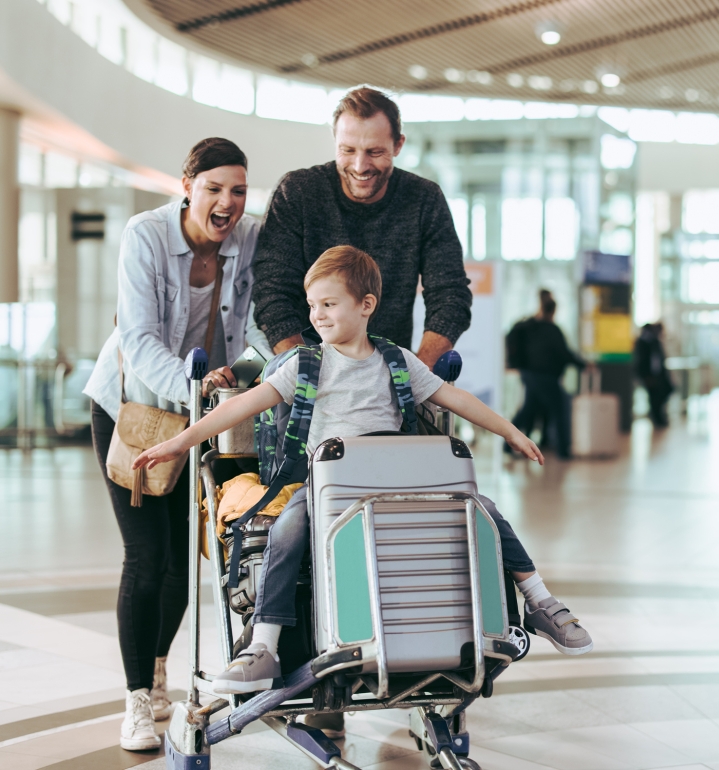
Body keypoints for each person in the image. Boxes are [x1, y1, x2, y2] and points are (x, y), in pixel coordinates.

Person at [133, 247, 594, 736]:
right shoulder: (304, 365)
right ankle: (263, 644)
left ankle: (541, 603)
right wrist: (182, 440)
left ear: (366, 305)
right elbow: (245, 403)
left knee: (483, 510)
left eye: (330, 304)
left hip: (396, 480)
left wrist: (510, 431)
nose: (317, 314)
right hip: (331, 483)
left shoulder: (396, 361)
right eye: (313, 305)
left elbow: (451, 396)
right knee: (287, 528)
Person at [83, 138, 269, 752]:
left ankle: (160, 669)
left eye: (238, 190)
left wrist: (246, 378)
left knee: (182, 563)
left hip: (197, 416)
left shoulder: (251, 238)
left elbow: (257, 321)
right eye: (214, 188)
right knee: (146, 554)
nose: (227, 202)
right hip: (131, 409)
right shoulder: (146, 234)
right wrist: (194, 384)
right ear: (187, 184)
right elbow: (136, 338)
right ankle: (137, 699)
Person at [252, 86, 471, 368]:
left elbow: (450, 295)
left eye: (375, 152)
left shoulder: (424, 200)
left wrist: (416, 376)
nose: (360, 165)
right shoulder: (297, 192)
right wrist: (307, 372)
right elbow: (272, 293)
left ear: (398, 145)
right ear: (335, 141)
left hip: (391, 379)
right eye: (348, 150)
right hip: (304, 378)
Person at [506, 290, 584, 458]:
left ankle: (507, 444)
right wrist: (583, 365)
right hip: (545, 377)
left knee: (529, 410)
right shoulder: (551, 330)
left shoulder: (527, 326)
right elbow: (565, 354)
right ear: (553, 310)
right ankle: (564, 451)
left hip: (529, 375)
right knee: (560, 409)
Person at [634, 322, 673, 428]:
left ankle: (659, 418)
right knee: (654, 397)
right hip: (649, 376)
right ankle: (657, 419)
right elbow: (641, 361)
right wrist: (645, 376)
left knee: (665, 392)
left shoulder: (654, 341)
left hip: (658, 375)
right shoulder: (643, 341)